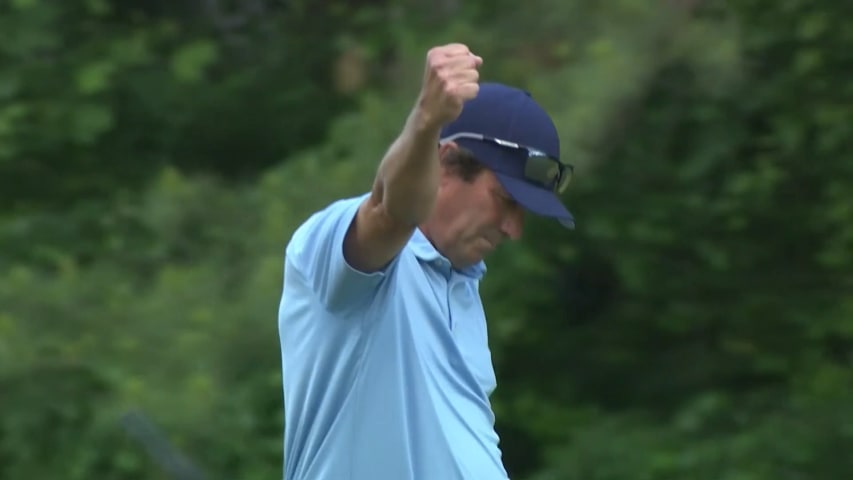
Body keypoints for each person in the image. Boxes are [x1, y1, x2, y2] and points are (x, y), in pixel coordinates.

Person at [277, 43, 575, 480]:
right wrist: (426, 120)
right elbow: (390, 212)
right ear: (446, 163)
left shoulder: (464, 286)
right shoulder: (347, 253)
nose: (514, 230)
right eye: (505, 201)